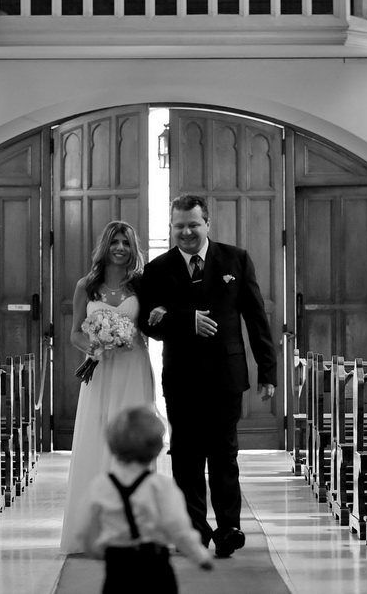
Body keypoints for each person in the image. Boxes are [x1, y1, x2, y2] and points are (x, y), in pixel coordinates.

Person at [138, 194, 277, 557]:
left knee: (224, 454)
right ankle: (194, 529)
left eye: (193, 224)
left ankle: (229, 528)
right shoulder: (157, 269)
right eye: (179, 226)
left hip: (227, 375)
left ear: (207, 224)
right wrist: (185, 321)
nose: (186, 232)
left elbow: (256, 317)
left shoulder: (236, 259)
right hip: (181, 377)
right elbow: (147, 325)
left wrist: (268, 371)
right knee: (185, 455)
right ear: (171, 227)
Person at [60, 220, 157, 554]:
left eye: (126, 243)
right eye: (115, 241)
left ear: (133, 249)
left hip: (133, 367)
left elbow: (151, 325)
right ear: (105, 246)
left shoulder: (142, 285)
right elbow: (74, 332)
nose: (120, 248)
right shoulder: (86, 286)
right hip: (100, 372)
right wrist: (93, 345)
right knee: (97, 440)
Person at [77, 405, 213, 593]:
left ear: (113, 445)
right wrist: (199, 556)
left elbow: (86, 526)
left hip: (117, 568)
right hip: (155, 566)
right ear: (157, 447)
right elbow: (177, 525)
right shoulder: (161, 486)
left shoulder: (101, 485)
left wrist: (94, 548)